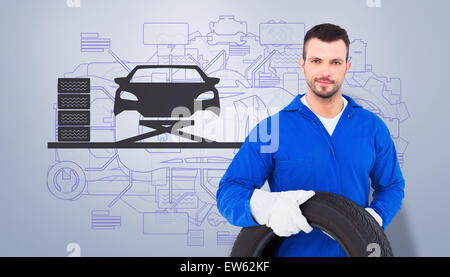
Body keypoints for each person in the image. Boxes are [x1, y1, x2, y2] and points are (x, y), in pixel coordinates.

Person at [216, 23, 405, 257]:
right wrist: (268, 207)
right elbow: (229, 192)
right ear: (302, 64)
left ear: (347, 67)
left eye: (335, 62)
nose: (325, 72)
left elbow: (392, 186)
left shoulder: (372, 128)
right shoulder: (273, 129)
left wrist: (375, 217)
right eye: (316, 61)